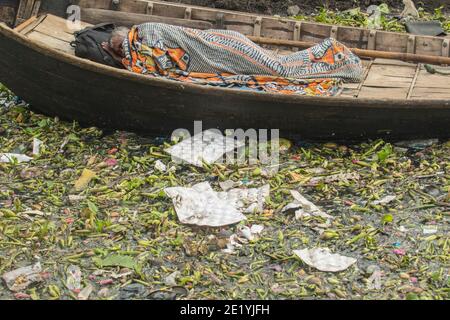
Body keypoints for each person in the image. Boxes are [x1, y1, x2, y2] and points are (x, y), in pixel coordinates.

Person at [102, 23, 363, 96]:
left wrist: (119, 57)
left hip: (224, 48)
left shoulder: (145, 37)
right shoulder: (142, 36)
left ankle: (335, 56)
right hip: (220, 48)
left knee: (279, 68)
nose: (126, 54)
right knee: (274, 67)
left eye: (123, 50)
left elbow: (157, 65)